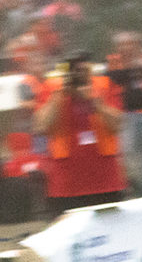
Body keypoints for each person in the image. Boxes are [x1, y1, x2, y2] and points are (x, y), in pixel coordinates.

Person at [33, 53, 126, 217]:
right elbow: (41, 126)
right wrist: (60, 94)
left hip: (105, 179)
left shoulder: (103, 85)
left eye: (82, 69)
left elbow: (118, 124)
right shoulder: (52, 88)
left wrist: (96, 103)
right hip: (67, 182)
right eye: (74, 71)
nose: (79, 75)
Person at [106, 31, 142, 197]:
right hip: (125, 115)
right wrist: (134, 67)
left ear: (136, 45)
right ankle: (129, 185)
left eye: (130, 43)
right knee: (126, 153)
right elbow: (115, 79)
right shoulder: (114, 62)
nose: (127, 48)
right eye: (123, 44)